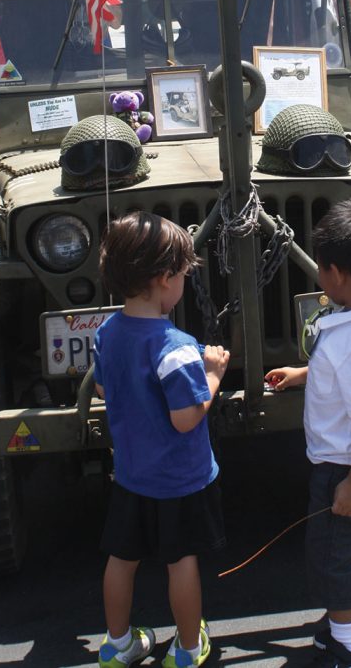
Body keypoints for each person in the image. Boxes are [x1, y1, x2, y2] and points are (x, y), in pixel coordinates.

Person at [266, 195, 351, 668]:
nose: (319, 276)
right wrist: (303, 374)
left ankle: (347, 648)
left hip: (347, 466)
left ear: (338, 275)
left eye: (321, 267)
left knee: (335, 558)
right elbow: (349, 379)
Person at [94, 212, 230, 668]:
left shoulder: (106, 332)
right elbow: (187, 418)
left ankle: (117, 645)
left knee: (122, 557)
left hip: (131, 474)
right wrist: (212, 375)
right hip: (178, 479)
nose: (184, 285)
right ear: (164, 279)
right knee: (181, 561)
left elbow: (102, 387)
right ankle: (189, 649)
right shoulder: (176, 346)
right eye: (183, 276)